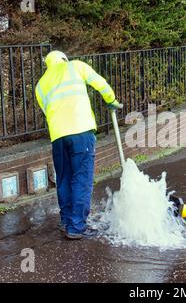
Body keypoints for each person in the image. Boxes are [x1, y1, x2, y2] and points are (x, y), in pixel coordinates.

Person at [35, 50, 122, 240]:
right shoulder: (76, 66)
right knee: (81, 179)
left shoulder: (40, 85)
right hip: (81, 131)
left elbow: (46, 111)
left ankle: (67, 221)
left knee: (64, 178)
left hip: (58, 137)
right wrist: (111, 100)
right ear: (64, 58)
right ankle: (76, 227)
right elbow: (101, 84)